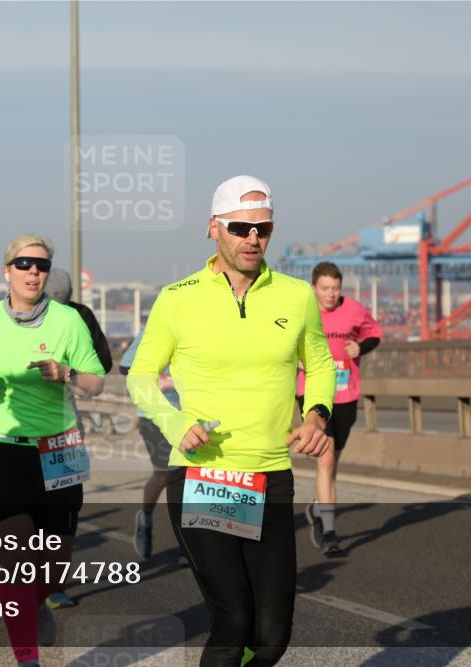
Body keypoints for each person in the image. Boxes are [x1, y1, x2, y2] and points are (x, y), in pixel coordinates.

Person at [127, 175, 335, 666]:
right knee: (232, 620)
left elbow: (321, 364)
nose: (252, 239)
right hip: (204, 475)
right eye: (240, 228)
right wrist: (176, 425)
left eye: (262, 228)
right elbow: (140, 376)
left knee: (271, 636)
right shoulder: (178, 298)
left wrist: (317, 414)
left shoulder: (295, 296)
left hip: (269, 476)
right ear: (213, 229)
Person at [0, 234, 106, 667]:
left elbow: (95, 383)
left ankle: (38, 600)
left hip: (59, 448)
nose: (32, 271)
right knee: (16, 559)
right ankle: (27, 657)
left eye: (41, 265)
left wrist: (67, 372)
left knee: (56, 567)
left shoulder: (68, 320)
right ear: (6, 271)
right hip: (3, 449)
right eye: (23, 264)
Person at [297, 261, 382, 556]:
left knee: (333, 461)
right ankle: (329, 532)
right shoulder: (303, 311)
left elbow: (374, 334)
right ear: (314, 289)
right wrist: (295, 358)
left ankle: (320, 507)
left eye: (335, 288)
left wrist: (361, 348)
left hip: (346, 394)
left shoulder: (355, 310)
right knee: (327, 457)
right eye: (325, 289)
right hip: (311, 395)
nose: (331, 294)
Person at [41, 268, 114, 608]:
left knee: (65, 506)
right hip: (20, 425)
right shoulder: (12, 315)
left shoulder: (80, 315)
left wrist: (69, 370)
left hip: (66, 422)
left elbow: (103, 362)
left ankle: (53, 584)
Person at [120, 330, 188, 565]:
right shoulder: (156, 326)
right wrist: (160, 381)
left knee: (188, 477)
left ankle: (189, 542)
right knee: (166, 474)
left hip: (191, 414)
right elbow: (126, 367)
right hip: (155, 416)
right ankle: (146, 518)